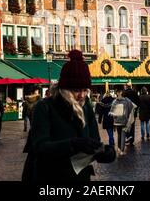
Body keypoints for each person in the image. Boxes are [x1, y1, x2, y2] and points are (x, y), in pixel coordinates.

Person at [24, 50, 115, 182]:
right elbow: (40, 147)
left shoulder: (86, 107)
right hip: (50, 178)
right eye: (77, 90)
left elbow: (94, 142)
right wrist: (73, 144)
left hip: (81, 178)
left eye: (85, 90)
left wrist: (106, 153)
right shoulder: (44, 107)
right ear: (64, 89)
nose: (82, 95)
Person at [110, 88, 136, 156]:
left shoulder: (114, 101)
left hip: (117, 121)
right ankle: (121, 150)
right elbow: (132, 107)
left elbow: (112, 111)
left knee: (119, 135)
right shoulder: (127, 100)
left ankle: (119, 148)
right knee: (123, 135)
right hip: (124, 120)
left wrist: (114, 118)